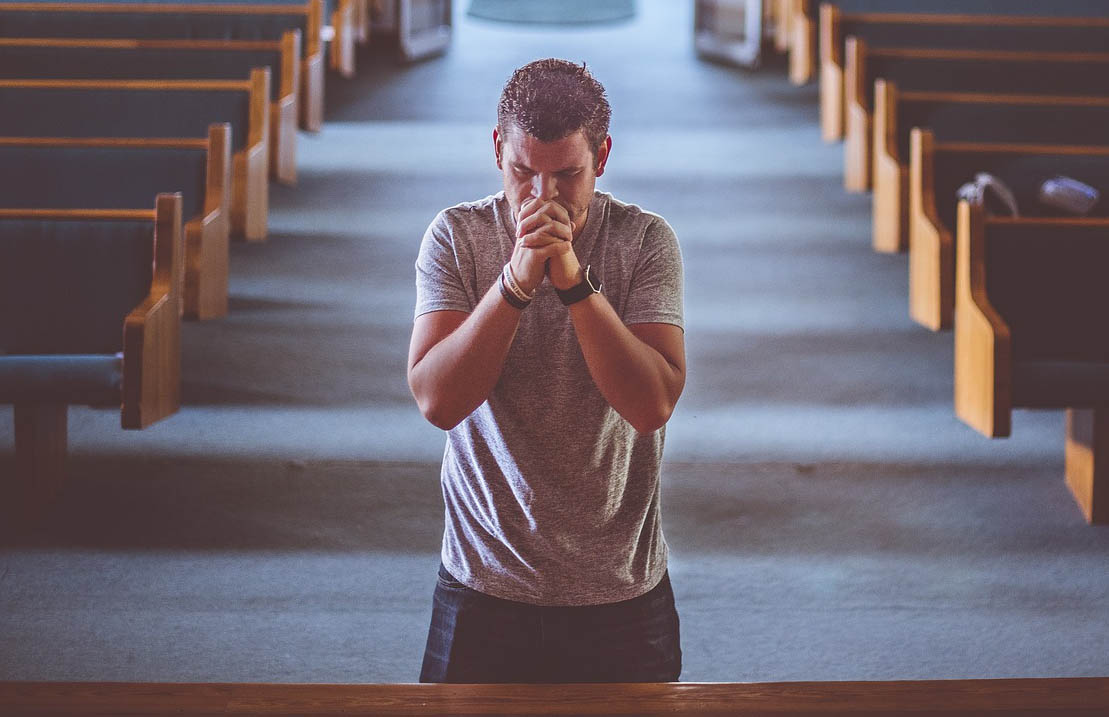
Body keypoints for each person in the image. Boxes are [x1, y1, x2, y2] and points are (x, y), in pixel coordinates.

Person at [407, 58, 686, 683]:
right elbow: (438, 402)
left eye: (567, 175)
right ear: (497, 149)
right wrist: (513, 283)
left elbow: (651, 406)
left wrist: (574, 283)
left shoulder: (644, 241)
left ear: (603, 157)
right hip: (483, 581)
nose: (543, 198)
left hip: (620, 588)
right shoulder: (456, 237)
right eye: (522, 173)